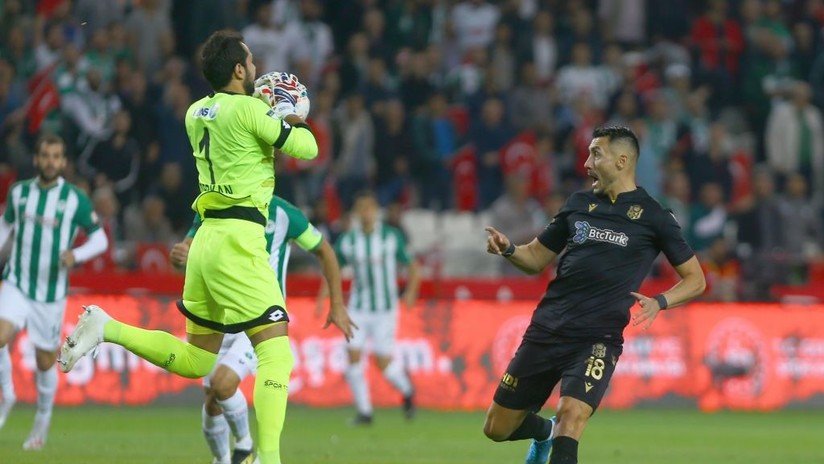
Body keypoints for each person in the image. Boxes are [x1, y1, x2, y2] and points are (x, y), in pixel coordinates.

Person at [59, 30, 319, 464]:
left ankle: (107, 327)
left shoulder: (196, 112)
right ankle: (269, 458)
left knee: (199, 359)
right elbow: (308, 148)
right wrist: (289, 114)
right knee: (276, 350)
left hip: (204, 241)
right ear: (238, 69)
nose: (255, 68)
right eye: (251, 62)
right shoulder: (253, 110)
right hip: (239, 239)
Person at [482, 126, 706, 464]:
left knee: (571, 416)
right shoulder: (578, 204)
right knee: (496, 428)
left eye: (595, 154)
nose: (586, 162)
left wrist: (660, 301)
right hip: (546, 330)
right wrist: (509, 249)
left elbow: (696, 279)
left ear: (622, 161)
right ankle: (543, 432)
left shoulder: (654, 217)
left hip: (597, 339)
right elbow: (535, 257)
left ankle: (556, 434)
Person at [169, 194, 354, 464]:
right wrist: (180, 257)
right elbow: (188, 250)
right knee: (212, 400)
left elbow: (324, 250)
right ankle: (222, 459)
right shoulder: (214, 201)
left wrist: (337, 303)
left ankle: (245, 449)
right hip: (218, 315)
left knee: (223, 384)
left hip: (261, 316)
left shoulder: (285, 214)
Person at [0, 134, 109, 449]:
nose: (50, 161)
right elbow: (6, 228)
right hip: (18, 282)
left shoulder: (76, 199)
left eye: (56, 156)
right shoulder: (19, 193)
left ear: (63, 162)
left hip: (50, 293)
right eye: (45, 155)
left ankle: (42, 421)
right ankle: (7, 394)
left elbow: (99, 239)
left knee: (45, 361)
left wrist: (77, 255)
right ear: (37, 159)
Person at [335, 191, 421, 425]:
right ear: (356, 213)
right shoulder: (348, 240)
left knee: (382, 362)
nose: (365, 213)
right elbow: (332, 268)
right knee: (353, 356)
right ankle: (365, 412)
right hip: (358, 308)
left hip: (385, 309)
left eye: (369, 208)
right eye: (361, 209)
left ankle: (407, 390)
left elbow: (413, 266)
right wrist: (329, 299)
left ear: (376, 212)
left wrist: (411, 292)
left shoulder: (391, 237)